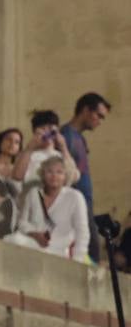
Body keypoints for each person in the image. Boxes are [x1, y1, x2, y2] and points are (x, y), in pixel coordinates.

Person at [5, 157, 90, 260]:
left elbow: (82, 231)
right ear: (43, 174)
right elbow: (22, 222)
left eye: (59, 172)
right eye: (49, 171)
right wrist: (35, 234)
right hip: (34, 244)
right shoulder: (33, 193)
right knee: (10, 240)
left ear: (65, 176)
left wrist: (78, 259)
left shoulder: (74, 197)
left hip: (58, 251)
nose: (54, 176)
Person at [62, 92, 112, 262]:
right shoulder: (66, 135)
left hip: (85, 204)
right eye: (98, 115)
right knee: (89, 252)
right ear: (85, 110)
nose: (100, 121)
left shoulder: (80, 139)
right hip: (75, 205)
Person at [0, 127, 25, 237]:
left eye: (17, 142)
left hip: (14, 219)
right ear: (0, 141)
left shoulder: (19, 170)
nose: (12, 144)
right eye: (8, 139)